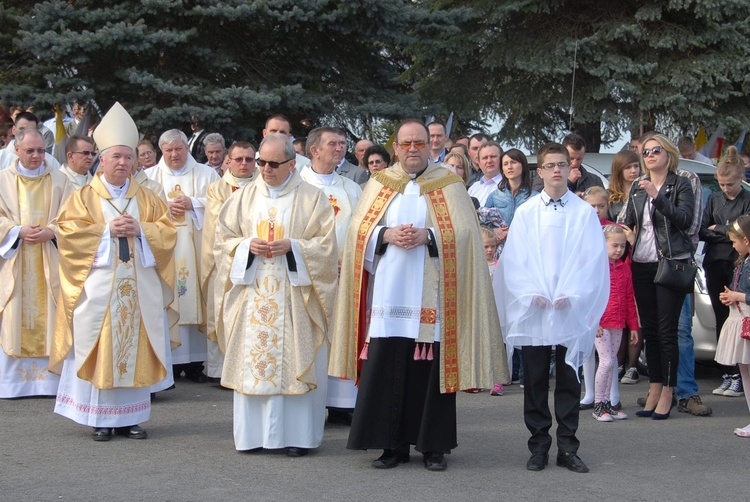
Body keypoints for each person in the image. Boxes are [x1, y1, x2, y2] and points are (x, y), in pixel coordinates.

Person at [330, 119, 507, 472]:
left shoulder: (449, 183)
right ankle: (390, 446)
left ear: (430, 146)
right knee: (387, 365)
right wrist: (384, 235)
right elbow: (357, 234)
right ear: (396, 146)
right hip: (389, 294)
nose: (413, 149)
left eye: (419, 143)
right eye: (406, 143)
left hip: (433, 297)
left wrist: (429, 236)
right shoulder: (379, 183)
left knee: (429, 372)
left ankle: (433, 446)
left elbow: (466, 237)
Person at [51, 102, 177, 440]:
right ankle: (99, 418)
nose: (122, 163)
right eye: (115, 157)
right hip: (99, 289)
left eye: (128, 157)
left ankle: (131, 417)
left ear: (136, 161)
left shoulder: (149, 200)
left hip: (139, 290)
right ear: (100, 160)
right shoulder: (83, 198)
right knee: (102, 343)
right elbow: (67, 235)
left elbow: (167, 233)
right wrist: (106, 232)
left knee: (134, 344)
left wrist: (141, 230)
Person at [213, 133, 338, 456]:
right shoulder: (243, 198)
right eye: (261, 163)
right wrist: (245, 247)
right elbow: (222, 241)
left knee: (293, 361)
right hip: (254, 295)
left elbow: (326, 247)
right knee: (255, 363)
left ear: (292, 164)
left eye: (272, 164)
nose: (265, 169)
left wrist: (294, 247)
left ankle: (297, 438)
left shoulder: (313, 198)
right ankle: (253, 437)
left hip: (295, 298)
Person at [494, 142, 608, 473]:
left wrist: (572, 292)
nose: (557, 170)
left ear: (570, 170)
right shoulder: (527, 212)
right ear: (540, 171)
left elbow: (591, 259)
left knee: (569, 379)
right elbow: (515, 258)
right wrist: (532, 293)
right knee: (536, 379)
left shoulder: (583, 212)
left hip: (568, 307)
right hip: (536, 309)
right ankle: (539, 445)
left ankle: (568, 447)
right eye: (550, 165)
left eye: (562, 164)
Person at [620, 134, 694, 420]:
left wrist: (657, 195)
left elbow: (685, 221)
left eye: (656, 150)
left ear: (668, 154)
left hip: (670, 264)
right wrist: (626, 233)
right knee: (649, 331)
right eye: (646, 151)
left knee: (667, 332)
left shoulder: (680, 184)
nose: (649, 155)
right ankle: (653, 388)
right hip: (642, 263)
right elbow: (627, 222)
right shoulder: (637, 189)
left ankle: (668, 391)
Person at [0, 128, 73, 398]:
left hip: (49, 262)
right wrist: (16, 231)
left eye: (41, 150)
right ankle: (11, 385)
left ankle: (50, 383)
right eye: (30, 150)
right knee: (15, 312)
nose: (36, 156)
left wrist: (52, 231)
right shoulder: (2, 180)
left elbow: (73, 219)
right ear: (16, 150)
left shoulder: (60, 181)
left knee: (52, 315)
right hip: (15, 262)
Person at [299, 127, 362, 425]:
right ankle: (311, 395)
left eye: (342, 144)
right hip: (308, 276)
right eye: (333, 144)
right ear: (314, 150)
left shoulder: (352, 188)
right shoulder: (297, 186)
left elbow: (362, 230)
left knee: (342, 334)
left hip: (344, 275)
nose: (340, 148)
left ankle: (341, 401)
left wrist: (349, 260)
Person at [146, 129, 220, 383]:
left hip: (197, 249)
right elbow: (143, 212)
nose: (174, 154)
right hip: (164, 254)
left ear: (186, 149)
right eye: (169, 150)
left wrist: (195, 203)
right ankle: (172, 363)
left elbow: (220, 205)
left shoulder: (206, 174)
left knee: (195, 296)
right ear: (161, 152)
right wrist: (164, 206)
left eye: (179, 149)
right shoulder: (149, 177)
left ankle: (198, 362)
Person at [201, 141, 258, 383]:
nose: (244, 164)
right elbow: (218, 226)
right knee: (222, 311)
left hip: (257, 258)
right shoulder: (217, 189)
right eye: (239, 159)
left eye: (248, 159)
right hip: (225, 259)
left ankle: (251, 366)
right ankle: (219, 369)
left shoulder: (264, 187)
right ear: (229, 161)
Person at [701, 146, 750, 398]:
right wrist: (725, 230)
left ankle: (741, 373)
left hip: (737, 262)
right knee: (721, 317)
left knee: (740, 317)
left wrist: (719, 228)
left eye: (729, 184)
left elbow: (743, 232)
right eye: (721, 184)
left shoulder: (747, 199)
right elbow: (702, 229)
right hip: (714, 261)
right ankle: (728, 372)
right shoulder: (713, 198)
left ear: (740, 179)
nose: (725, 189)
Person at [591, 225, 639, 422]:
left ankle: (608, 404)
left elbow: (629, 298)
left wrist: (634, 326)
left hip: (618, 323)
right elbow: (591, 297)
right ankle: (598, 404)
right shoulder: (597, 268)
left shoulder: (624, 268)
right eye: (614, 245)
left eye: (622, 246)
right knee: (607, 361)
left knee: (612, 363)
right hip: (601, 324)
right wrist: (594, 322)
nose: (619, 250)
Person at [715, 215, 750, 437]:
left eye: (735, 241)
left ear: (746, 240)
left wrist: (738, 295)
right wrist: (732, 297)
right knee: (745, 370)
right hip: (740, 318)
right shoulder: (743, 261)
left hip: (747, 319)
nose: (733, 246)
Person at [532, 133, 603, 195]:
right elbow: (536, 197)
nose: (575, 163)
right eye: (571, 158)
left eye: (579, 159)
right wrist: (568, 182)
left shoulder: (594, 180)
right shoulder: (547, 175)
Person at [607, 150, 641, 222]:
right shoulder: (609, 196)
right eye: (628, 167)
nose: (633, 170)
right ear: (619, 170)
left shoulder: (645, 192)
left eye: (636, 166)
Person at [467, 141, 503, 207]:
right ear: (479, 163)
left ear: (502, 159)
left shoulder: (509, 186)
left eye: (493, 156)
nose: (489, 161)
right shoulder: (473, 188)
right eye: (485, 158)